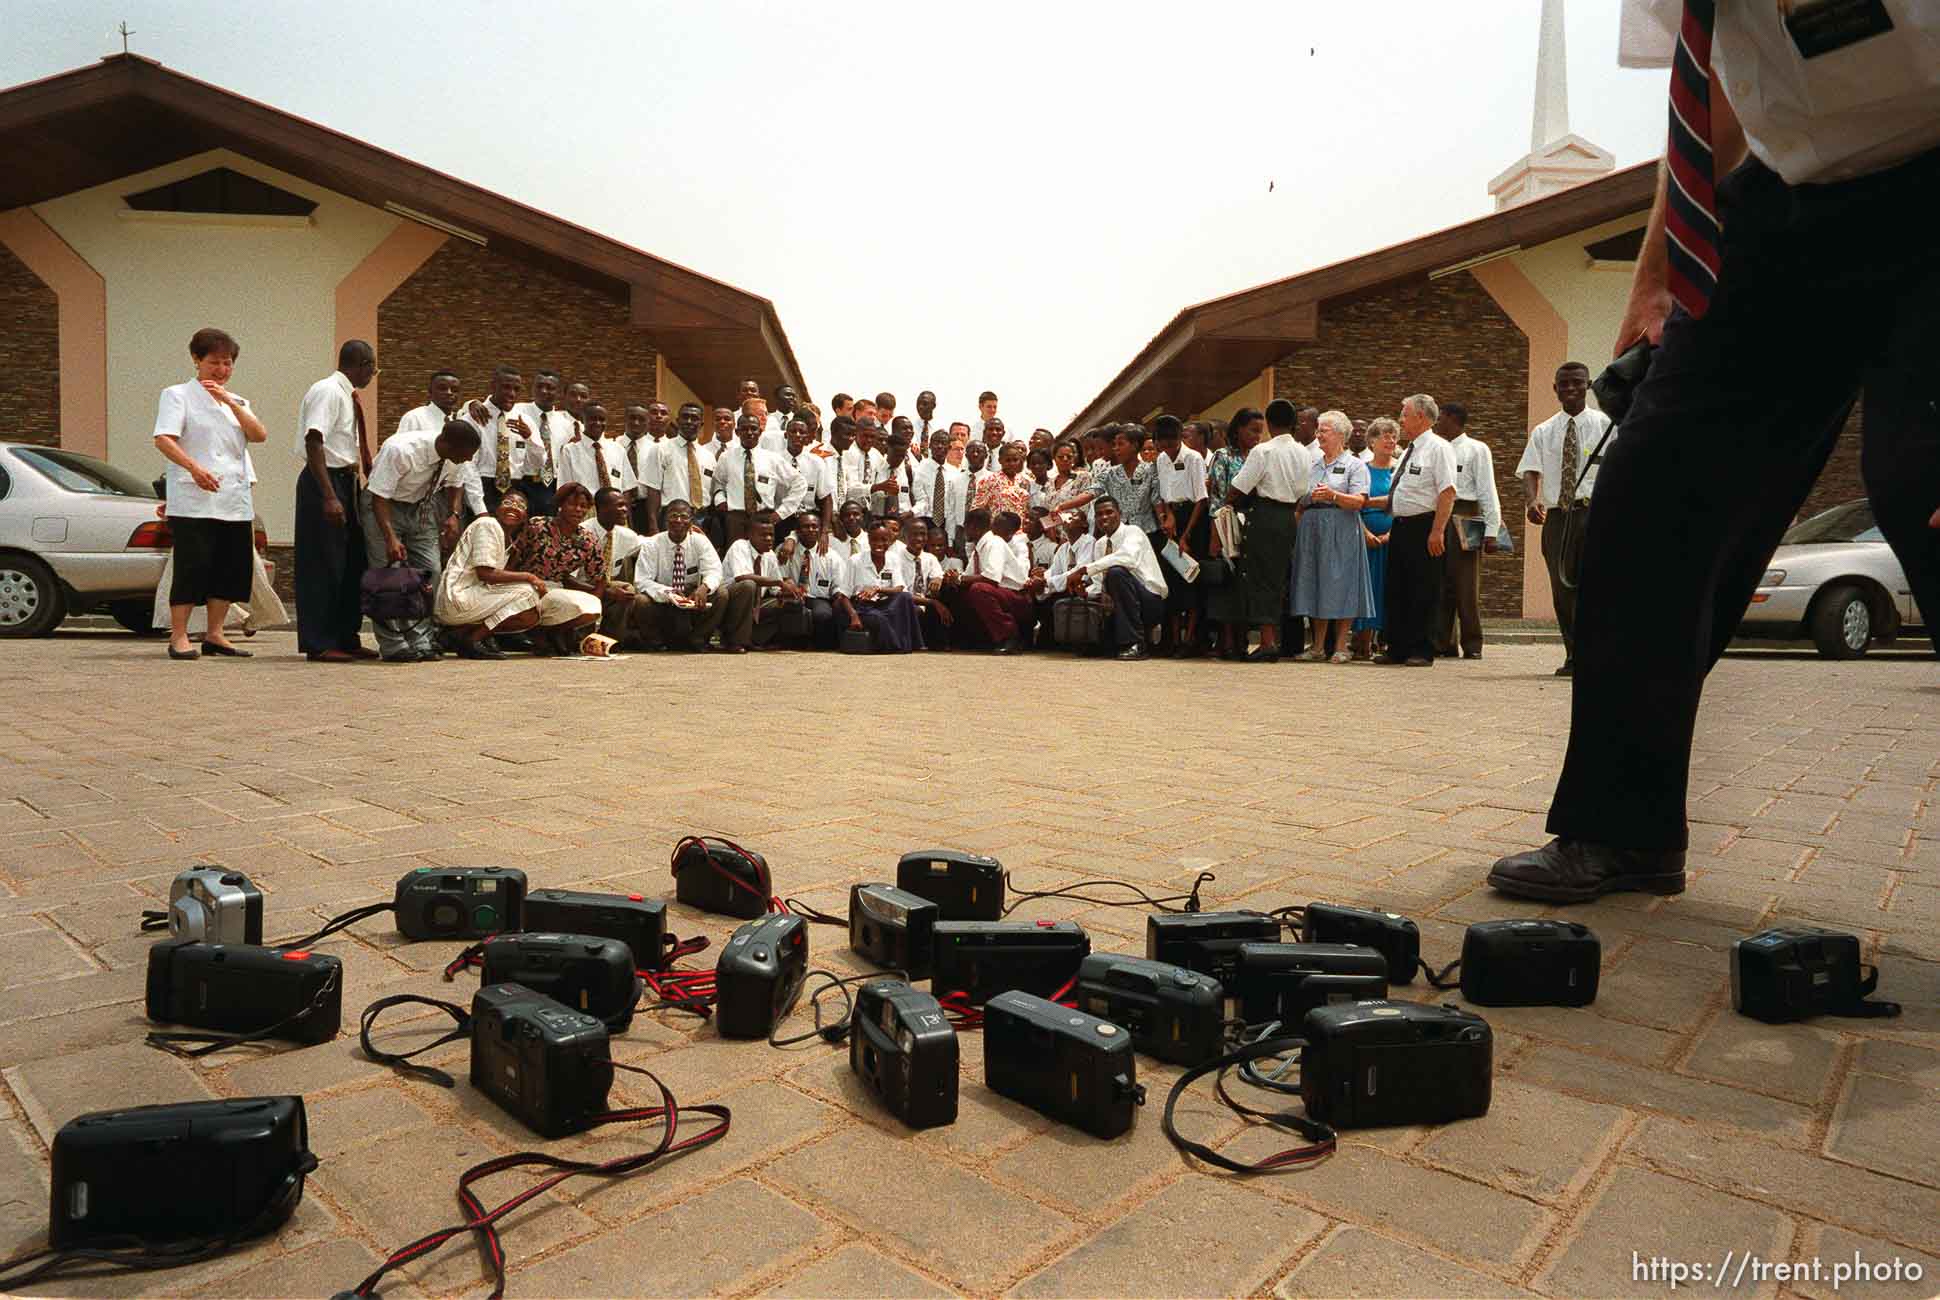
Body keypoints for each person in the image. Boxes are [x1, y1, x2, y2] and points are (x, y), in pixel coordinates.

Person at [1488, 1, 1940, 904]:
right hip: (1785, 205)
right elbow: (1717, 94)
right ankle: (1624, 829)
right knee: (1649, 492)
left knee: (1922, 485)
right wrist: (1657, 270)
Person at [152, 327, 269, 661]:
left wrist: (230, 401)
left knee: (231, 567)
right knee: (194, 565)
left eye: (227, 363)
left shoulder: (239, 402)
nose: (221, 369)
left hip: (233, 499)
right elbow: (164, 438)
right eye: (214, 362)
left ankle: (216, 634)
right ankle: (179, 636)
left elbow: (259, 435)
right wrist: (194, 469)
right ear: (196, 360)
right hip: (194, 498)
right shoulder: (177, 395)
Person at [1517, 362, 1613, 677]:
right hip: (1559, 518)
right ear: (1555, 389)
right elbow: (1530, 470)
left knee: (1596, 587)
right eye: (1564, 384)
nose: (1571, 389)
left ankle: (1597, 655)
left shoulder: (1607, 426)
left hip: (1596, 514)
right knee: (1562, 589)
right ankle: (1574, 655)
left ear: (1588, 387)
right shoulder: (1544, 431)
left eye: (1577, 383)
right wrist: (1532, 500)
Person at [361, 417, 480, 662]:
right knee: (389, 575)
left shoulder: (454, 455)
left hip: (421, 507)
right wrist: (391, 538)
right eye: (465, 455)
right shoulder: (400, 450)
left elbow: (456, 484)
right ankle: (394, 644)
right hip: (384, 508)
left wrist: (454, 514)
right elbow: (378, 497)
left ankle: (420, 639)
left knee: (430, 571)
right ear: (448, 444)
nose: (467, 460)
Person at [294, 339, 382, 663]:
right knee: (323, 565)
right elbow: (314, 441)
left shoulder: (348, 395)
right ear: (361, 363)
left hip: (346, 481)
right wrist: (329, 495)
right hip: (324, 482)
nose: (373, 374)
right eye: (372, 367)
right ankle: (319, 642)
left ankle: (346, 636)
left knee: (350, 564)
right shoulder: (328, 391)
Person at [1224, 400, 1314, 661]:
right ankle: (1275, 639)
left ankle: (1267, 642)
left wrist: (1228, 502)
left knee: (1260, 576)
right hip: (1289, 515)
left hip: (1264, 514)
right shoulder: (1303, 453)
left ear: (1270, 423)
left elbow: (1239, 487)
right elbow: (1302, 491)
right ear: (1293, 423)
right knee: (1279, 578)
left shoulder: (1263, 451)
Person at [1374, 394, 1456, 667]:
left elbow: (1447, 491)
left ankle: (1422, 648)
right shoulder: (1409, 451)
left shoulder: (1438, 448)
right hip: (1401, 526)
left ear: (1421, 417)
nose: (1401, 420)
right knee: (1398, 587)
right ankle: (1397, 647)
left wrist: (1437, 531)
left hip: (1425, 525)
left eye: (1405, 414)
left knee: (1425, 589)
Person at [1287, 411, 1375, 664]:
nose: (1318, 434)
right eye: (1319, 430)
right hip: (1312, 527)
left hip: (1342, 528)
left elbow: (1360, 500)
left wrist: (1334, 496)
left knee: (1342, 582)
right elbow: (1300, 497)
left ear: (1340, 435)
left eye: (1324, 430)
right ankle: (1316, 646)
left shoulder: (1355, 465)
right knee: (1315, 581)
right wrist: (1309, 498)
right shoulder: (1312, 463)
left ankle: (1340, 645)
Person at [434, 492, 550, 658]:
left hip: (471, 599)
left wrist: (514, 557)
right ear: (496, 509)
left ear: (525, 517)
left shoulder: (508, 539)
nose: (513, 507)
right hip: (457, 598)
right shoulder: (487, 524)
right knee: (527, 592)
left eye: (520, 506)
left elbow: (495, 582)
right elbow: (485, 574)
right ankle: (473, 640)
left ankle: (460, 634)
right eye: (508, 502)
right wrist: (529, 576)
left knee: (531, 614)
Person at [632, 501, 756, 652]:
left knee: (721, 593)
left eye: (684, 516)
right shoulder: (652, 544)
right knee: (640, 601)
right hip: (663, 601)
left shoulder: (700, 541)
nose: (678, 520)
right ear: (665, 520)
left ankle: (698, 639)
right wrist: (667, 592)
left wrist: (704, 587)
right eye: (673, 516)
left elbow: (714, 571)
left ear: (691, 521)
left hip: (693, 598)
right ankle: (656, 642)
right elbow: (641, 581)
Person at [1061, 496, 1168, 661]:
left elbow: (1127, 558)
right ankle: (1110, 641)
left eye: (1109, 512)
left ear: (1119, 513)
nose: (1104, 517)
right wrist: (1084, 592)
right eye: (1099, 514)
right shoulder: (1100, 544)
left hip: (1150, 602)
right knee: (1091, 593)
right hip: (1120, 604)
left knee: (1117, 572)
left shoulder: (1133, 532)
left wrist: (1084, 570)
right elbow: (1098, 584)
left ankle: (1136, 643)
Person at [1436, 402, 1503, 660]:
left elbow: (1488, 489)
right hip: (1440, 514)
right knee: (1442, 583)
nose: (1437, 422)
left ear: (1452, 419)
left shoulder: (1477, 449)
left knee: (1467, 584)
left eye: (1440, 417)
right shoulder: (1437, 448)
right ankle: (1443, 642)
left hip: (1467, 512)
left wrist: (1492, 529)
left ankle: (1473, 644)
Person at [394, 370, 482, 542]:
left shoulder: (460, 423)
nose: (449, 393)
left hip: (449, 494)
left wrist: (454, 511)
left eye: (454, 390)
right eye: (442, 388)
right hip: (417, 496)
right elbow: (401, 457)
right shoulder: (414, 417)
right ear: (430, 391)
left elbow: (462, 471)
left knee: (446, 546)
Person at [1153, 415, 1209, 655]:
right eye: (1162, 445)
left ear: (1180, 439)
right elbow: (1164, 495)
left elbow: (1201, 499)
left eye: (1172, 444)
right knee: (1172, 580)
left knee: (1192, 580)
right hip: (1172, 520)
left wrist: (1186, 536)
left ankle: (1191, 638)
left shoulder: (1193, 458)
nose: (1168, 450)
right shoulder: (1161, 459)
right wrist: (1167, 517)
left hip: (1193, 520)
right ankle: (1174, 639)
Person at [1205, 407, 1257, 660]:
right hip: (1226, 522)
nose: (1257, 436)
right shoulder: (1223, 456)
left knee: (1246, 584)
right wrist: (1216, 533)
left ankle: (1243, 638)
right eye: (1252, 430)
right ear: (1238, 430)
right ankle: (1226, 640)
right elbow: (1216, 497)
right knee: (1226, 581)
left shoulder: (1260, 455)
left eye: (1260, 431)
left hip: (1254, 523)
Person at [951, 507, 1035, 653]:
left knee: (979, 589)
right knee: (958, 589)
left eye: (966, 528)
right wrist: (954, 578)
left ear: (974, 528)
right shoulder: (979, 548)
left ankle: (1010, 637)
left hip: (1018, 597)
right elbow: (968, 575)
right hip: (1001, 594)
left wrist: (959, 578)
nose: (965, 532)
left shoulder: (994, 543)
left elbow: (991, 578)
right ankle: (973, 638)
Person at [713, 413, 806, 543]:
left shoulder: (772, 459)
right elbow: (718, 483)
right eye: (744, 429)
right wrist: (720, 500)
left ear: (760, 431)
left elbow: (800, 483)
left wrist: (782, 513)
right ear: (737, 432)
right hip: (736, 520)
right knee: (736, 559)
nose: (749, 432)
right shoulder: (726, 457)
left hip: (764, 519)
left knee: (763, 560)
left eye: (753, 428)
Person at [721, 510, 807, 648]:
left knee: (790, 602)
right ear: (749, 535)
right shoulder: (739, 546)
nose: (768, 539)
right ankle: (735, 641)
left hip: (757, 605)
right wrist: (779, 582)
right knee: (748, 585)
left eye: (771, 535)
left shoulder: (770, 555)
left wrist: (790, 591)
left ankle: (756, 639)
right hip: (730, 605)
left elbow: (775, 590)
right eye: (763, 535)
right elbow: (742, 577)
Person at [1352, 418, 1400, 661]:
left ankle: (1386, 640)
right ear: (1372, 441)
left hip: (1394, 536)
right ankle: (1361, 641)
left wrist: (1391, 534)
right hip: (1365, 537)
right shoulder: (1361, 468)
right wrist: (1366, 533)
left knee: (1388, 589)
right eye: (1385, 436)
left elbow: (1402, 503)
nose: (1390, 440)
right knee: (1366, 588)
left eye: (1393, 436)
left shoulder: (1398, 469)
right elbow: (1354, 505)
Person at [583, 486, 652, 650]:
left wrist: (684, 531)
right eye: (620, 505)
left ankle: (610, 641)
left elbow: (652, 544)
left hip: (606, 584)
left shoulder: (625, 535)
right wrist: (607, 591)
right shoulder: (583, 532)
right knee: (622, 588)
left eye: (625, 505)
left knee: (626, 591)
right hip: (581, 587)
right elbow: (568, 578)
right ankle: (582, 638)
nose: (625, 510)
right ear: (603, 508)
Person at [846, 524, 925, 652]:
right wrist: (854, 615)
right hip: (864, 606)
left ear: (890, 541)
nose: (879, 544)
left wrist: (877, 589)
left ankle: (913, 644)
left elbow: (899, 587)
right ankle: (898, 647)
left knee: (904, 597)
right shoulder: (855, 561)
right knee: (879, 618)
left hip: (886, 604)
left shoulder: (893, 558)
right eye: (875, 540)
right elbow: (843, 595)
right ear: (869, 540)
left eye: (884, 540)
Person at [642, 401, 716, 538]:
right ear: (677, 421)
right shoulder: (661, 450)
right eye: (685, 417)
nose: (689, 421)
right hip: (671, 517)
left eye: (694, 418)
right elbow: (653, 490)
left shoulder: (708, 456)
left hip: (702, 517)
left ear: (701, 424)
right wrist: (653, 526)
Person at [781, 512, 851, 649]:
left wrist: (838, 598)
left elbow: (839, 585)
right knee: (793, 607)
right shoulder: (786, 551)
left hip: (819, 598)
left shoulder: (831, 556)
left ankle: (819, 646)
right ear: (798, 531)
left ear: (820, 530)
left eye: (814, 526)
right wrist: (787, 586)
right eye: (806, 527)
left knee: (823, 614)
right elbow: (780, 577)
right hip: (792, 595)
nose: (811, 530)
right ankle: (793, 644)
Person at [460, 366, 524, 513]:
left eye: (516, 389)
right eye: (506, 387)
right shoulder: (472, 418)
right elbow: (468, 467)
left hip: (514, 488)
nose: (511, 393)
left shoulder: (523, 418)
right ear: (493, 386)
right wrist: (479, 508)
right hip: (482, 487)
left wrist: (530, 438)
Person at [508, 369, 566, 518]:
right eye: (539, 386)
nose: (544, 391)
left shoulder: (566, 423)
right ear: (532, 388)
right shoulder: (516, 410)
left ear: (558, 392)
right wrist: (472, 403)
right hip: (522, 483)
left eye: (550, 388)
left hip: (552, 486)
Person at [912, 430, 969, 551]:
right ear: (930, 446)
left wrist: (949, 540)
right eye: (936, 443)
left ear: (948, 447)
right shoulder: (920, 469)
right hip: (925, 521)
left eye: (943, 443)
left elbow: (952, 507)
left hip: (946, 523)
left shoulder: (954, 473)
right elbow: (920, 499)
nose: (939, 446)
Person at [971, 440, 1036, 525]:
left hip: (1021, 532)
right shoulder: (990, 480)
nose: (1012, 463)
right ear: (1000, 460)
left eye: (1015, 460)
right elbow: (977, 509)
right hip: (999, 531)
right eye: (1008, 460)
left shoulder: (1024, 481)